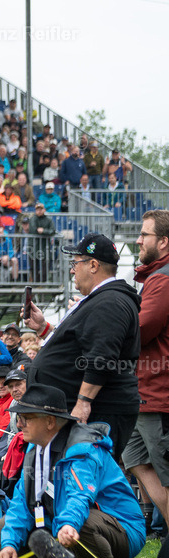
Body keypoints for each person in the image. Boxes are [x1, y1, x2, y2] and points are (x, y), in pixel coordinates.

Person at [0, 384, 145, 558]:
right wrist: (9, 543)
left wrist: (69, 523)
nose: (19, 423)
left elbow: (80, 496)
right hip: (63, 526)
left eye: (27, 418)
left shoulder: (83, 449)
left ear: (50, 422)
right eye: (19, 417)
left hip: (121, 530)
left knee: (84, 523)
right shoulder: (35, 450)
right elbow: (21, 505)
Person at [22, 234, 141, 462]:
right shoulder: (100, 299)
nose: (72, 270)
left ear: (93, 265)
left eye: (75, 263)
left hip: (96, 411)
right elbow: (79, 345)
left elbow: (101, 356)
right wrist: (43, 329)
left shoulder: (110, 301)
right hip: (82, 408)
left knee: (87, 482)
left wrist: (83, 402)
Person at [123, 210, 169, 528]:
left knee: (167, 478)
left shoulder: (164, 279)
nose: (138, 240)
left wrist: (106, 321)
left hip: (159, 392)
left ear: (163, 242)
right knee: (135, 460)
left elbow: (139, 330)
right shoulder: (154, 277)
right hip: (142, 393)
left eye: (145, 235)